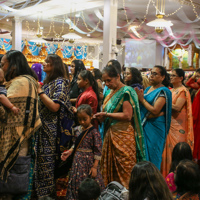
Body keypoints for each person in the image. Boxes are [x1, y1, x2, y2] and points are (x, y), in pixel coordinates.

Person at [94, 65, 146, 189]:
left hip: (124, 137)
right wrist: (102, 117)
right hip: (110, 135)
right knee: (109, 172)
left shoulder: (127, 91)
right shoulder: (109, 92)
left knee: (126, 170)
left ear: (118, 76)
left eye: (109, 80)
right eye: (104, 81)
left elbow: (127, 115)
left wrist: (106, 114)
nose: (107, 83)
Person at [0, 50, 42, 200]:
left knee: (12, 186)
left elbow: (7, 111)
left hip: (16, 141)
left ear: (13, 66)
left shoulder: (22, 82)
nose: (1, 67)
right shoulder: (16, 82)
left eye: (3, 64)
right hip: (14, 140)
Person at [32, 54, 74, 199]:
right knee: (40, 162)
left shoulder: (61, 82)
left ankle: (46, 195)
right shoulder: (49, 82)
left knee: (47, 163)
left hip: (52, 131)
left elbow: (55, 107)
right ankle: (39, 193)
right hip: (41, 128)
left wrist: (40, 92)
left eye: (47, 62)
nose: (44, 63)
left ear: (54, 65)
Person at [61, 104, 104, 200]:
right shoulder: (76, 130)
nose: (82, 122)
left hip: (88, 162)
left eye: (85, 119)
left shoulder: (94, 132)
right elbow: (75, 144)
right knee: (76, 181)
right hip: (77, 162)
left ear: (91, 116)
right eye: (79, 119)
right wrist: (70, 151)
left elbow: (98, 151)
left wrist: (94, 167)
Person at [135, 65, 172, 170]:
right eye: (151, 73)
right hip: (145, 125)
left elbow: (155, 110)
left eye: (155, 74)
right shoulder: (147, 89)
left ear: (162, 77)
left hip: (156, 127)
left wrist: (142, 100)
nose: (151, 76)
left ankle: (154, 182)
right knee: (143, 156)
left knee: (153, 154)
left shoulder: (164, 91)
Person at [161, 69, 194, 177]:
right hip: (169, 125)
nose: (171, 77)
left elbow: (177, 107)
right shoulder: (170, 90)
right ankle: (168, 178)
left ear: (181, 78)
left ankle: (178, 177)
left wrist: (162, 102)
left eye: (174, 76)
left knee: (176, 152)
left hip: (178, 128)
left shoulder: (182, 91)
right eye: (170, 75)